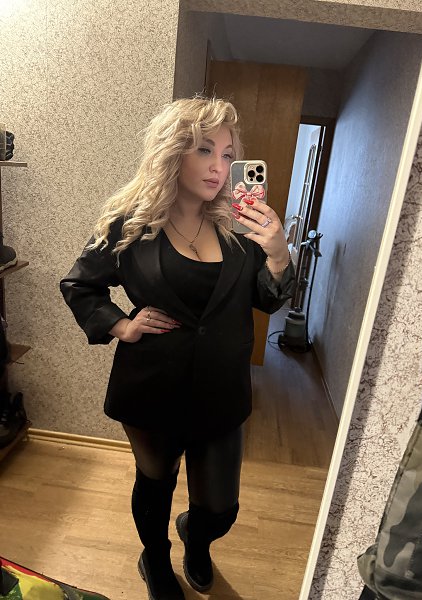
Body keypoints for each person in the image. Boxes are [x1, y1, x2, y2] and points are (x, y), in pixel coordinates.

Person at [60, 96, 295, 600]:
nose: (219, 167)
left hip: (221, 388)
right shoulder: (130, 224)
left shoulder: (240, 229)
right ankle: (155, 557)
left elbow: (268, 299)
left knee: (220, 508)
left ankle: (197, 536)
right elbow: (80, 285)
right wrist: (121, 325)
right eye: (204, 150)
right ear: (172, 151)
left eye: (228, 155)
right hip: (151, 384)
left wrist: (278, 253)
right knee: (155, 484)